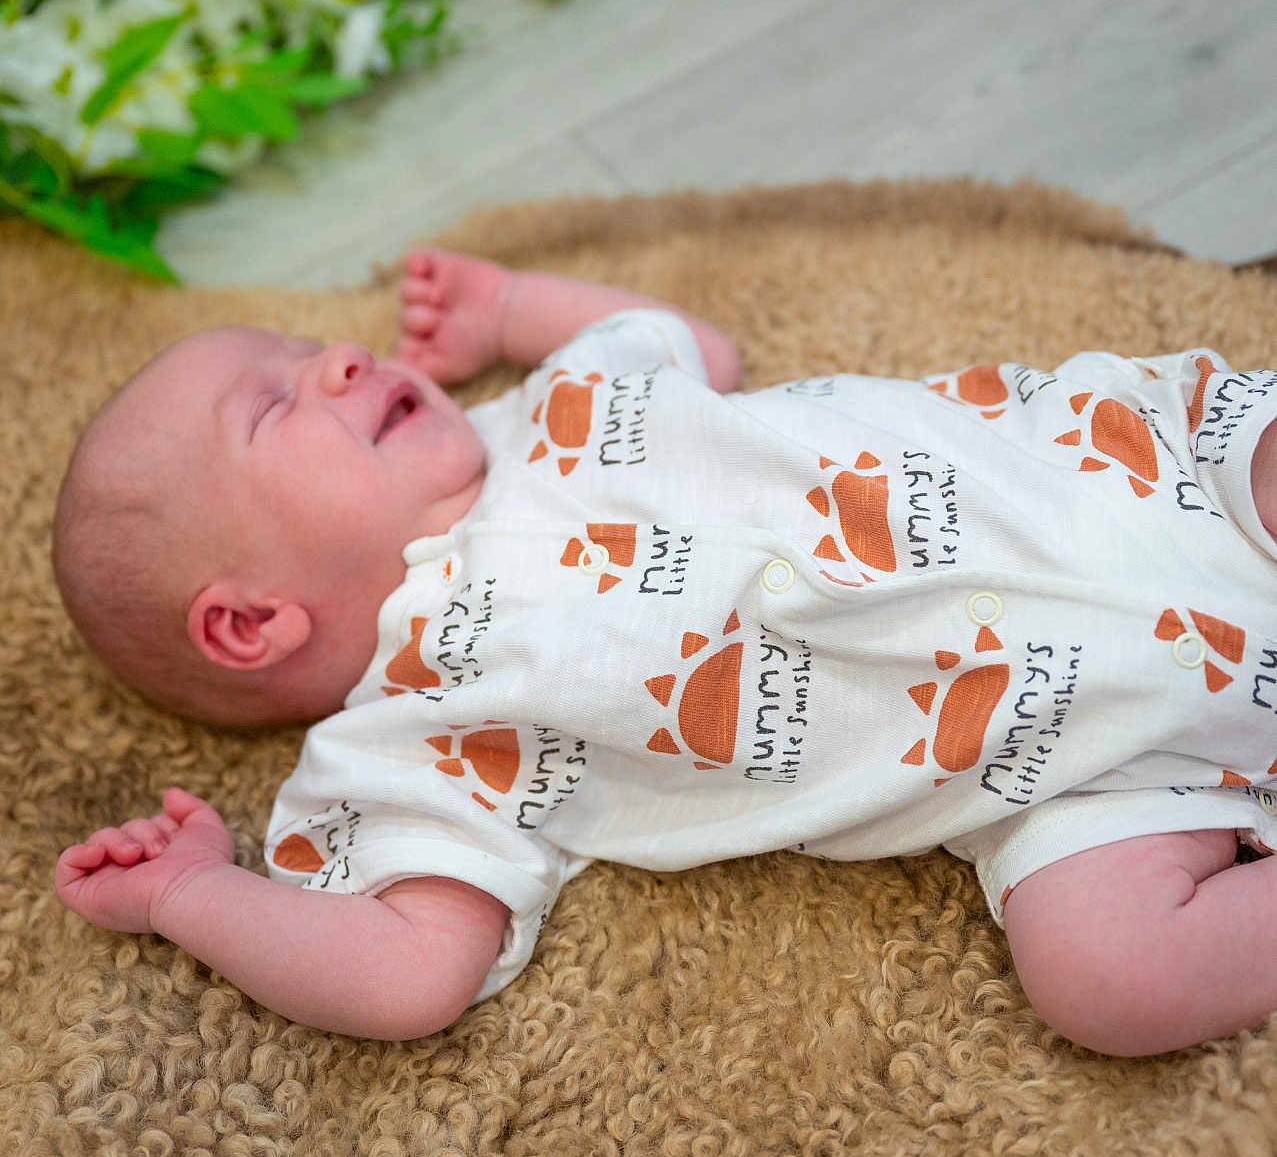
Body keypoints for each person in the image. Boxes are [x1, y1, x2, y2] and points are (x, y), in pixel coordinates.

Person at [51, 248, 1277, 1057]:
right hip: (1068, 759)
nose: (339, 358)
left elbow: (686, 342)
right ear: (249, 624)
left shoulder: (550, 405)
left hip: (1129, 474)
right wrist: (192, 894)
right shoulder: (412, 734)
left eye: (299, 346)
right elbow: (404, 977)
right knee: (1109, 979)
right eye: (277, 404)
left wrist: (507, 309)